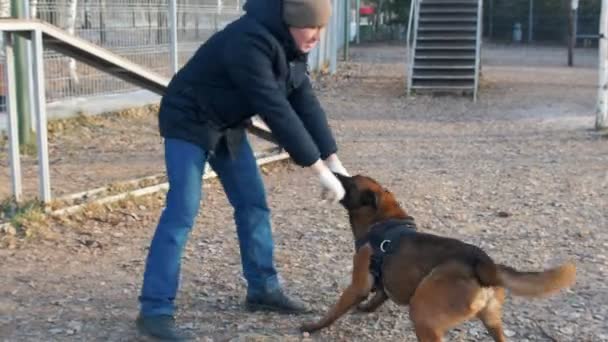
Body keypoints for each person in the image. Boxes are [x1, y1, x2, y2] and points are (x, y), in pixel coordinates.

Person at [136, 0, 349, 339]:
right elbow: (274, 107)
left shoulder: (291, 44)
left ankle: (263, 289)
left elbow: (303, 99)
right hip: (188, 119)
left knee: (253, 203)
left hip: (225, 122)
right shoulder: (248, 41)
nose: (317, 37)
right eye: (313, 27)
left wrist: (334, 160)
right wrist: (316, 168)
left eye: (322, 28)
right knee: (182, 212)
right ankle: (154, 310)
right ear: (291, 20)